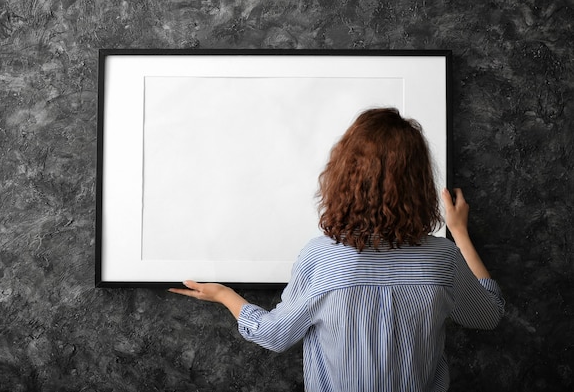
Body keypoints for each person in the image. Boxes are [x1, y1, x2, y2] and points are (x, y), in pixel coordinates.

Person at [169, 107, 505, 391]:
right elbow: (489, 315)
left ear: (345, 176)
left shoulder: (321, 258)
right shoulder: (442, 259)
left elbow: (274, 335)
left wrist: (225, 295)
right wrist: (459, 233)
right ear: (419, 183)